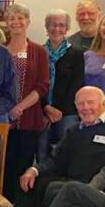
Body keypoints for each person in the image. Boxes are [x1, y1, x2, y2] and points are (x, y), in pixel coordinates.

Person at [16, 87, 105, 207]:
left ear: (103, 104)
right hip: (72, 182)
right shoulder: (73, 131)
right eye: (81, 104)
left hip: (100, 187)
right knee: (33, 184)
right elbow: (55, 159)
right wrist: (34, 170)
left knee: (57, 190)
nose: (86, 108)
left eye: (90, 103)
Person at [3, 4, 49, 203]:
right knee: (4, 166)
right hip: (4, 119)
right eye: (12, 18)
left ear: (28, 22)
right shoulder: (0, 50)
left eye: (20, 18)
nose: (16, 22)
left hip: (29, 119)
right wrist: (8, 109)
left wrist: (20, 107)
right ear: (6, 23)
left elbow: (42, 85)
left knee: (23, 167)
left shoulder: (39, 51)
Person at [38, 9, 85, 163]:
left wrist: (58, 111)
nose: (56, 29)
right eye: (52, 25)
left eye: (61, 25)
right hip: (42, 110)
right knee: (41, 153)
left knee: (65, 154)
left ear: (67, 29)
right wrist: (46, 107)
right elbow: (36, 84)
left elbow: (77, 85)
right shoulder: (39, 53)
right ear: (46, 27)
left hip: (67, 111)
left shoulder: (77, 54)